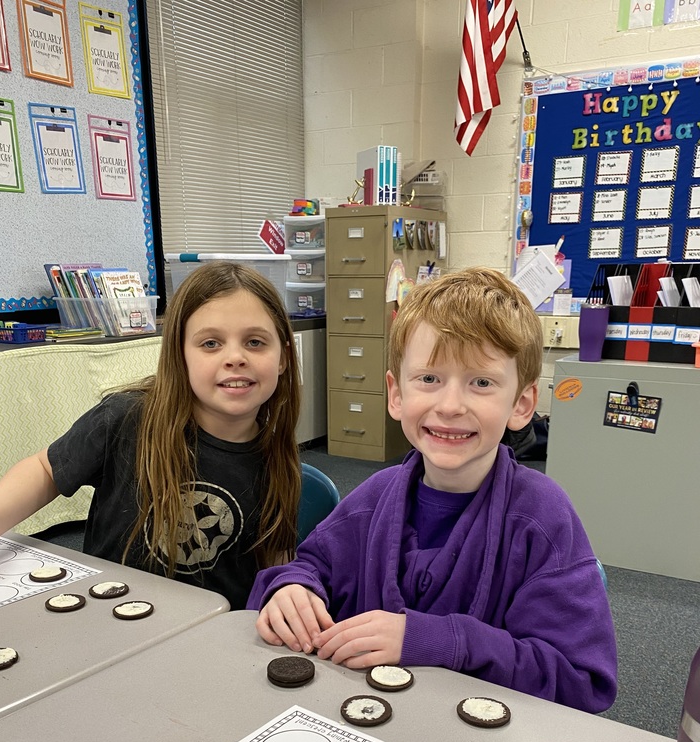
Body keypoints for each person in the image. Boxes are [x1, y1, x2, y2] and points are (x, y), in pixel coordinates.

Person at [249, 267, 617, 712]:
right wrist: (292, 590)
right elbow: (308, 567)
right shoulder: (375, 497)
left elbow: (580, 680)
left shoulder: (542, 519)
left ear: (521, 405)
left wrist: (442, 640)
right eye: (429, 379)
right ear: (396, 394)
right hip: (368, 725)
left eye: (481, 383)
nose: (449, 406)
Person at [0, 262, 302, 610]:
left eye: (255, 342)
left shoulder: (278, 458)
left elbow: (273, 563)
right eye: (210, 343)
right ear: (179, 355)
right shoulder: (127, 417)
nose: (235, 357)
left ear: (283, 357)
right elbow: (46, 471)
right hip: (109, 614)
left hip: (209, 635)